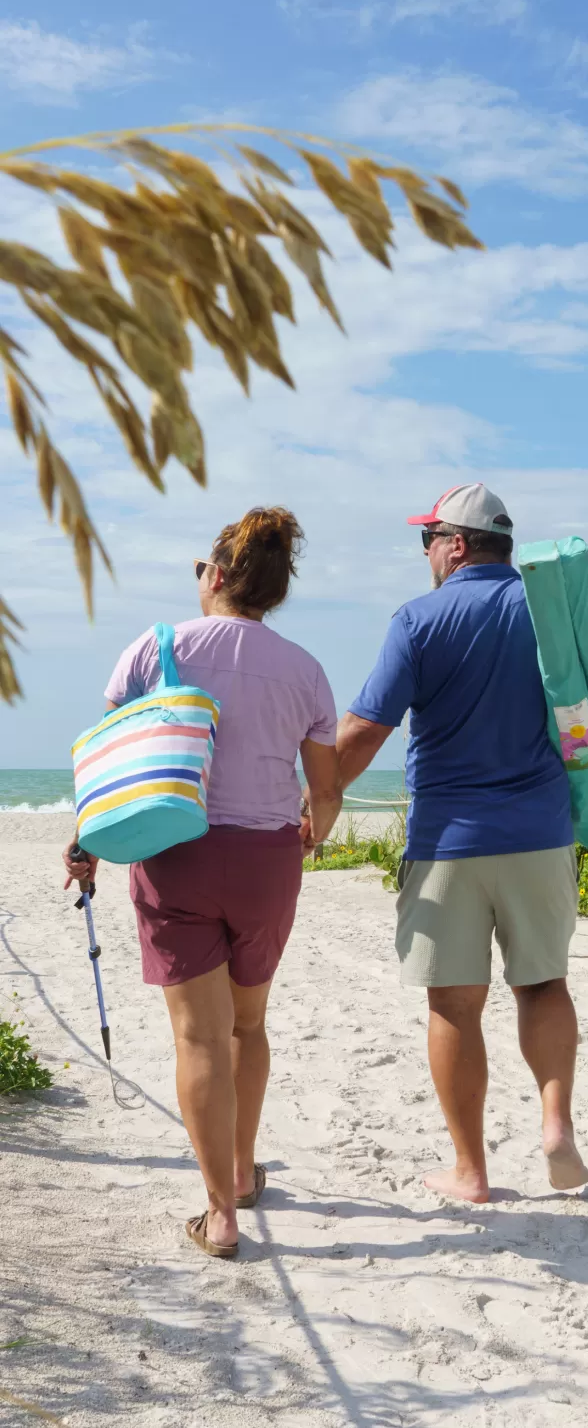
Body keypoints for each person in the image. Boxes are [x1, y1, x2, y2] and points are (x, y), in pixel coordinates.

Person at [336, 484, 588, 1204]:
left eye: (426, 541)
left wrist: (310, 804)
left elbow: (364, 731)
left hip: (447, 841)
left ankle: (470, 1172)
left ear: (455, 544)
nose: (424, 555)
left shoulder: (418, 619)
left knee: (452, 1005)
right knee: (542, 984)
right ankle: (556, 1124)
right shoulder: (549, 611)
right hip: (539, 835)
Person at [64, 507, 342, 1256]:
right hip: (267, 860)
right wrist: (316, 830)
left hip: (175, 852)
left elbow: (112, 770)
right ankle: (245, 1174)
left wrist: (84, 843)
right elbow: (326, 789)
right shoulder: (305, 669)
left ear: (216, 576)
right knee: (248, 1025)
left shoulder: (154, 650)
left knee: (198, 1036)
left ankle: (219, 1213)